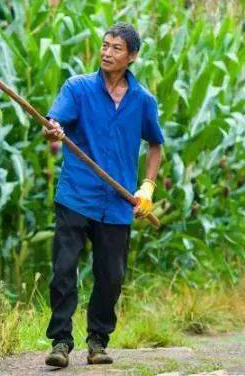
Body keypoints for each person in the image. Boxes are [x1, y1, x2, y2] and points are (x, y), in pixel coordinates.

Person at [40, 22, 164, 368]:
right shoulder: (77, 88)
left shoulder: (143, 101)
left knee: (111, 277)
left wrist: (148, 186)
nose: (107, 53)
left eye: (116, 48)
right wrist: (53, 129)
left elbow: (155, 145)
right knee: (64, 269)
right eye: (105, 45)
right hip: (76, 196)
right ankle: (61, 341)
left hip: (118, 203)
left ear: (132, 56)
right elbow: (53, 125)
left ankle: (97, 340)